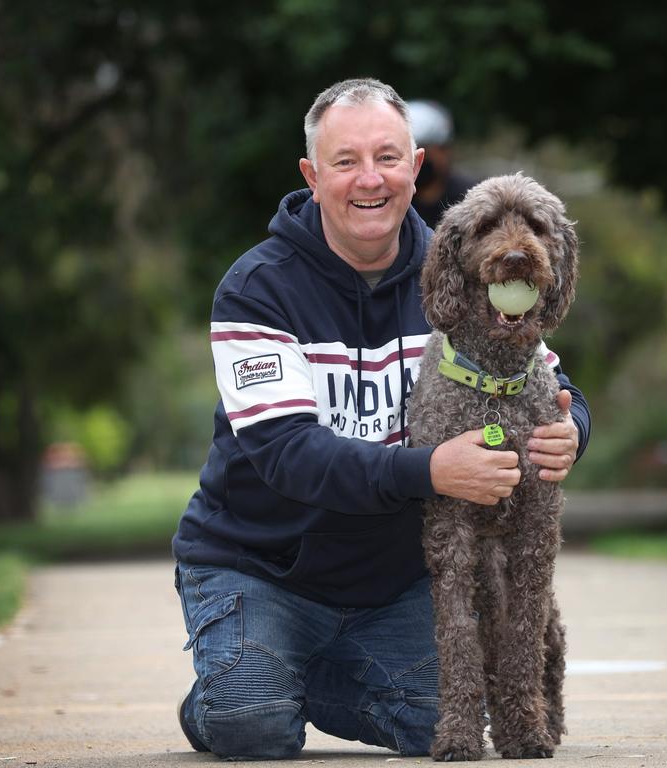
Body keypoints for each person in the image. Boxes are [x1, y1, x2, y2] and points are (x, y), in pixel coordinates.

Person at [172, 77, 591, 760]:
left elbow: (542, 372)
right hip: (263, 567)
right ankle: (239, 683)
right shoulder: (257, 289)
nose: (371, 179)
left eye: (389, 158)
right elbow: (288, 454)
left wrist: (575, 429)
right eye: (346, 162)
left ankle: (289, 677)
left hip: (390, 582)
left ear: (417, 167)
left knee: (449, 725)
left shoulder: (459, 263)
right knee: (251, 722)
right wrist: (429, 470)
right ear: (312, 176)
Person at [406, 99, 477, 228]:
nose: (416, 160)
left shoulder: (470, 199)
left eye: (422, 149)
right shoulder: (396, 201)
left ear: (444, 151)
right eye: (408, 151)